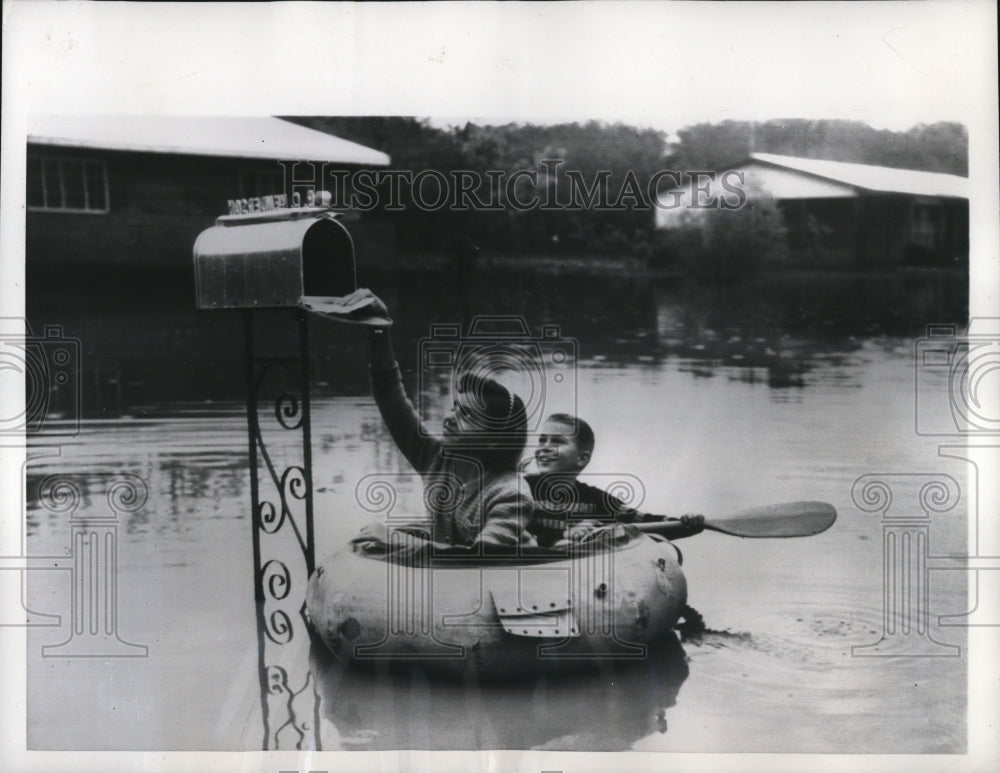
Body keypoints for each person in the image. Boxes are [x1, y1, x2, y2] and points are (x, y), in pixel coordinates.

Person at [342, 288, 536, 551]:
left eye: (467, 415)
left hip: (503, 581)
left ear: (494, 439)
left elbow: (482, 557)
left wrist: (396, 539)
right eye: (455, 408)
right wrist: (379, 328)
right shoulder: (436, 459)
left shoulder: (511, 493)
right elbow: (390, 396)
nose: (451, 418)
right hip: (452, 576)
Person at [523, 413, 705, 547]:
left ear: (582, 459)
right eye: (542, 440)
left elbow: (644, 522)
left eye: (557, 442)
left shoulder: (597, 499)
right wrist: (563, 535)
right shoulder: (521, 491)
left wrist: (688, 524)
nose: (544, 448)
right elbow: (509, 534)